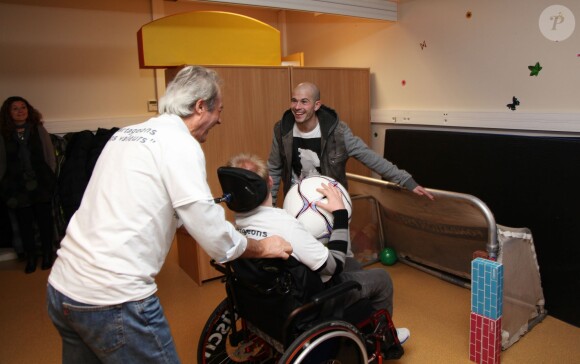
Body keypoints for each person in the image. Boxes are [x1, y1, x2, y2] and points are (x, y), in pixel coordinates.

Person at [46, 66, 292, 364]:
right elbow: (218, 241)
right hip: (113, 300)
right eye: (219, 110)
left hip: (63, 289)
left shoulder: (125, 134)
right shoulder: (179, 144)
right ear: (201, 106)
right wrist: (265, 247)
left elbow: (137, 203)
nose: (220, 119)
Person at [228, 153, 410, 345]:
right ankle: (386, 341)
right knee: (382, 278)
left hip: (265, 300)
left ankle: (361, 325)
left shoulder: (235, 224)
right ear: (270, 182)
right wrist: (339, 213)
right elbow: (334, 266)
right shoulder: (285, 225)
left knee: (353, 263)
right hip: (308, 302)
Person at [267, 82, 435, 205]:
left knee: (339, 251)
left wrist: (406, 181)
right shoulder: (282, 130)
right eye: (294, 101)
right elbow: (274, 168)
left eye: (304, 101)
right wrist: (271, 207)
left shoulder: (338, 133)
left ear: (317, 105)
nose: (297, 107)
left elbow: (371, 158)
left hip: (332, 203)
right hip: (297, 202)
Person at [0, 96, 56, 273]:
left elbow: (50, 157)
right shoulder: (4, 133)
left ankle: (47, 254)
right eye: (15, 108)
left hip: (41, 182)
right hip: (17, 185)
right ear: (9, 113)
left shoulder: (38, 129)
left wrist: (50, 176)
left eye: (23, 107)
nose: (20, 111)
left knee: (45, 221)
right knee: (24, 224)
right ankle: (30, 256)